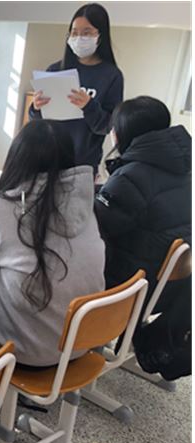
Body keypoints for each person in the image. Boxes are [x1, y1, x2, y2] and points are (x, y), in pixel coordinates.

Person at [0, 120, 105, 367]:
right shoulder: (83, 202)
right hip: (80, 342)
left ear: (17, 158)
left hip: (26, 351)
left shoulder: (1, 206)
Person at [94, 96, 191, 380]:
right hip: (165, 288)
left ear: (124, 133)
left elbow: (96, 226)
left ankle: (72, 351)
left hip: (129, 287)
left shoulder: (133, 175)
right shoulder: (183, 169)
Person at [29, 3, 123, 175]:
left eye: (86, 32)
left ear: (100, 35)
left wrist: (88, 106)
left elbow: (107, 126)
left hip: (82, 164)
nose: (79, 38)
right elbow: (38, 122)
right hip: (47, 158)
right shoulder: (55, 70)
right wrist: (35, 108)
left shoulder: (111, 76)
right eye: (74, 32)